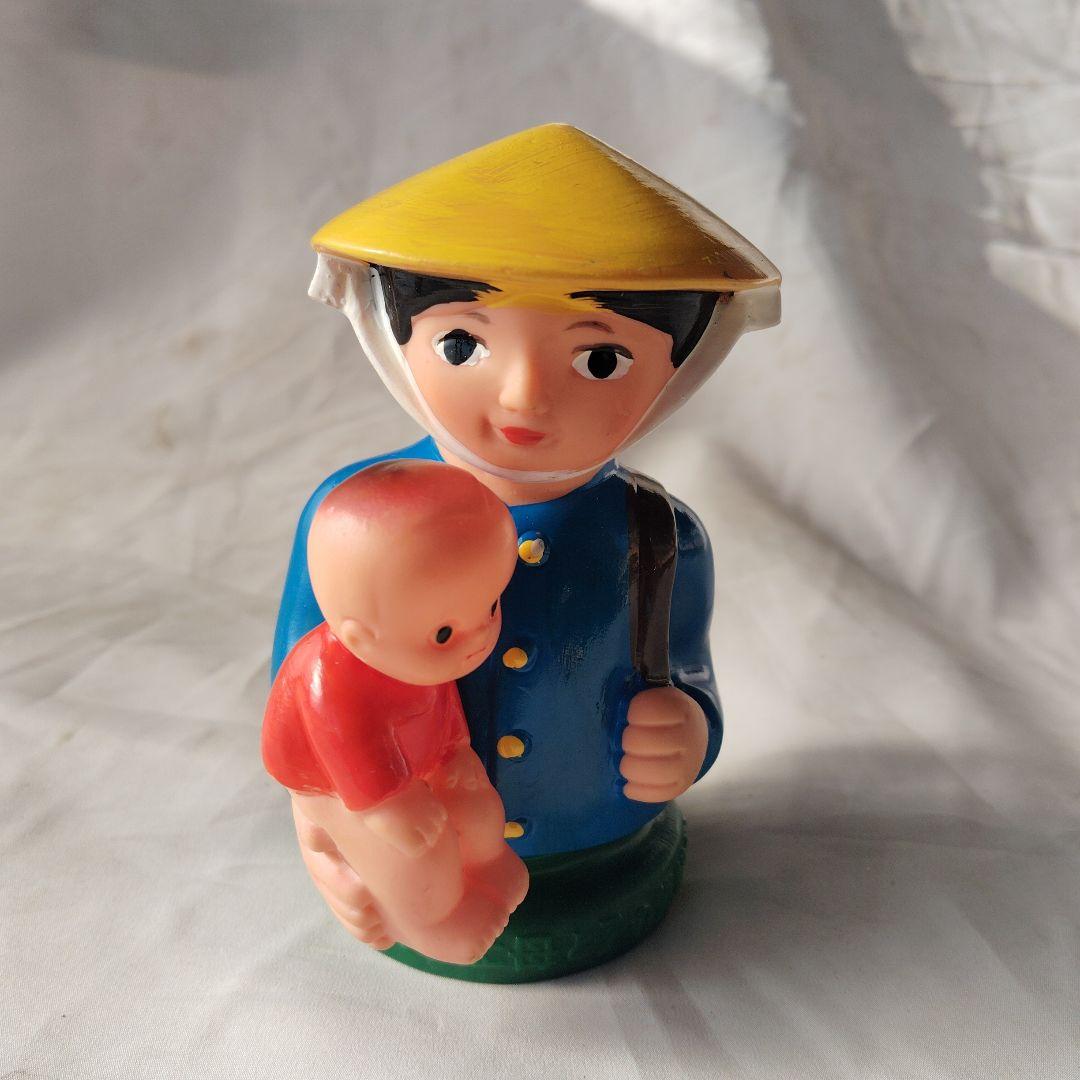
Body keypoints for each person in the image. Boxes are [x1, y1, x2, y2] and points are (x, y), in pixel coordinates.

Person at [271, 123, 781, 980]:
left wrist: (691, 726)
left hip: (600, 843)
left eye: (601, 357)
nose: (523, 397)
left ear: (679, 367)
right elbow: (306, 684)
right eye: (463, 344)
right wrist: (329, 827)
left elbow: (686, 662)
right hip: (416, 837)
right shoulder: (351, 517)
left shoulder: (657, 538)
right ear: (395, 336)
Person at [263, 460, 526, 965]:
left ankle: (488, 864)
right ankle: (432, 921)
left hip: (419, 754)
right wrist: (387, 805)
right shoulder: (328, 679)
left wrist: (453, 751)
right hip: (338, 785)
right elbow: (349, 749)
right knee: (418, 851)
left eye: (490, 607)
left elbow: (439, 698)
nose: (479, 640)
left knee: (475, 804)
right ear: (359, 636)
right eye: (445, 633)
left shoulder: (411, 644)